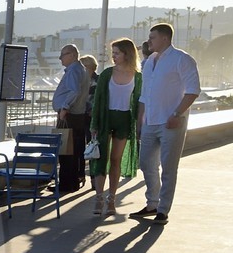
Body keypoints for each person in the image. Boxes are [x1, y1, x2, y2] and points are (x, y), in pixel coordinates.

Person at [129, 23, 200, 226]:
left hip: (172, 121)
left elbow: (193, 90)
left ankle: (163, 210)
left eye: (153, 37)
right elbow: (145, 95)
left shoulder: (182, 59)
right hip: (151, 121)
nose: (149, 41)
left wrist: (177, 114)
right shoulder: (150, 61)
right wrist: (140, 121)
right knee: (146, 163)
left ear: (165, 39)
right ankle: (152, 203)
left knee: (169, 167)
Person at [88, 38, 142, 216]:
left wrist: (139, 124)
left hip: (125, 120)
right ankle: (98, 199)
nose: (114, 56)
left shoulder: (137, 76)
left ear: (127, 54)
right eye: (113, 53)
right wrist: (94, 123)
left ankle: (111, 199)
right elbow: (97, 101)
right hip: (106, 117)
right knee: (101, 158)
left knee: (116, 159)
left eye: (117, 53)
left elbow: (140, 102)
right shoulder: (106, 74)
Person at [50, 43, 89, 195]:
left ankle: (66, 184)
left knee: (65, 151)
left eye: (63, 55)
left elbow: (74, 90)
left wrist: (64, 107)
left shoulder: (73, 70)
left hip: (69, 115)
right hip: (75, 115)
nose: (60, 59)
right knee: (72, 151)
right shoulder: (80, 70)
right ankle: (71, 182)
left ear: (72, 55)